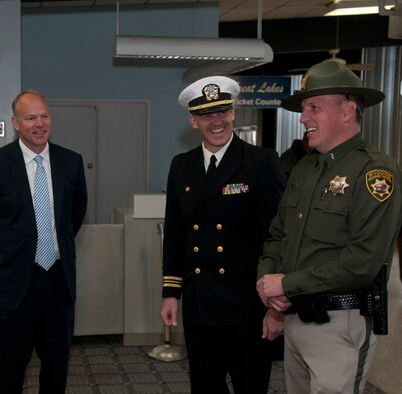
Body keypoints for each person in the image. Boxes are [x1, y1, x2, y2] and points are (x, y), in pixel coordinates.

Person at [257, 60, 402, 393]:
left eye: (314, 107)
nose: (303, 117)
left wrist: (287, 283)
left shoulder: (375, 173)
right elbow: (277, 235)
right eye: (304, 108)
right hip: (295, 316)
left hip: (340, 324)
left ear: (348, 110)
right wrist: (267, 283)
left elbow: (362, 262)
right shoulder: (306, 169)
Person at [159, 76, 286, 393]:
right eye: (206, 115)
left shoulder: (260, 162)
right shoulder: (181, 166)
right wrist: (171, 292)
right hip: (200, 304)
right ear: (193, 120)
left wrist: (276, 306)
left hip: (247, 305)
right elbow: (175, 234)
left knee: (250, 386)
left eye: (222, 112)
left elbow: (278, 236)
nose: (216, 121)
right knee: (205, 387)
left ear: (234, 113)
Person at [0, 90, 88, 393]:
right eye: (31, 117)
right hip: (14, 286)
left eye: (44, 116)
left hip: (59, 283)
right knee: (11, 373)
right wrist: (5, 257)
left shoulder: (71, 162)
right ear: (16, 123)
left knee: (56, 370)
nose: (39, 123)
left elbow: (74, 217)